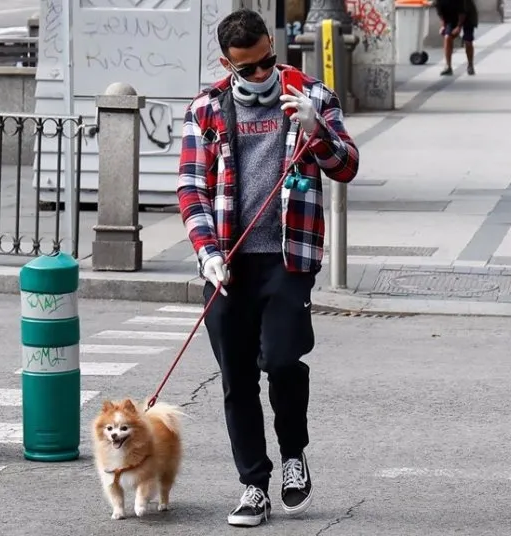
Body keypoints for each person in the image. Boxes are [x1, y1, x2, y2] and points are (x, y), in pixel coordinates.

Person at [176, 8, 360, 529]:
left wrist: (316, 129)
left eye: (267, 63)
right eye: (249, 69)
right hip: (228, 263)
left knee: (281, 360)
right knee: (236, 377)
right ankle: (254, 485)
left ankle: (294, 455)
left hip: (289, 255)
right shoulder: (207, 109)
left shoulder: (313, 96)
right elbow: (191, 188)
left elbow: (346, 166)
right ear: (226, 63)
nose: (262, 75)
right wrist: (207, 252)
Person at [434, 0, 479, 76]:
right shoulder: (438, 2)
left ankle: (470, 65)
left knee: (468, 40)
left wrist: (459, 27)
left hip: (468, 15)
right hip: (451, 17)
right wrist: (443, 26)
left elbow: (463, 12)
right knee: (447, 37)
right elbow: (441, 14)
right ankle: (448, 66)